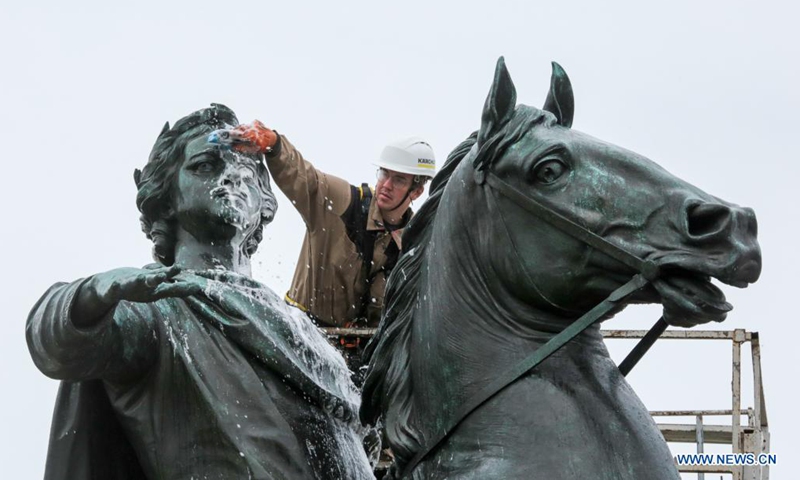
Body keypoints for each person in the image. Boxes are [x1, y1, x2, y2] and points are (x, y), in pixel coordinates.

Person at [26, 104, 373, 480]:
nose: (232, 176)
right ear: (166, 197)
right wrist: (94, 292)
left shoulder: (301, 328)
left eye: (246, 169)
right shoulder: (158, 308)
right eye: (206, 165)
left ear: (264, 202)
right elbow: (58, 343)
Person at [221, 121, 436, 383]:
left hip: (360, 367)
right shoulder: (344, 203)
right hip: (299, 340)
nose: (386, 185)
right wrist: (275, 145)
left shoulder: (412, 252)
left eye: (399, 179)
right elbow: (306, 179)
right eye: (384, 174)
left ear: (416, 191)